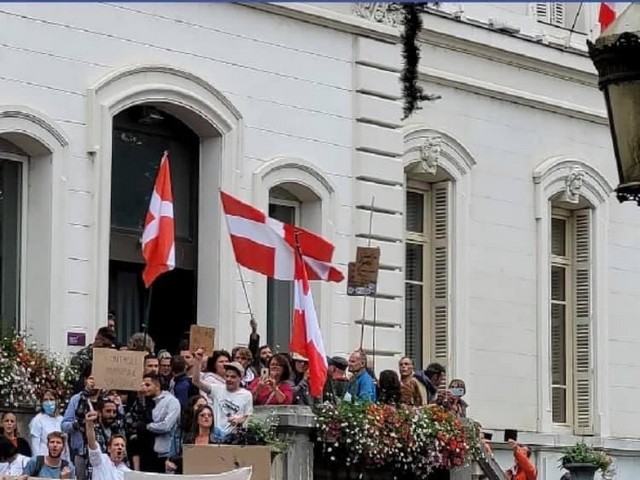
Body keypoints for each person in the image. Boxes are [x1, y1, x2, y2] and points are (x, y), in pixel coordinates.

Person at [192, 361, 253, 440]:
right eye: (227, 376)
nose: (229, 379)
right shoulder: (217, 389)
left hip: (234, 437)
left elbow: (248, 417)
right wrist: (197, 361)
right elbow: (196, 382)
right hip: (215, 434)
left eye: (233, 377)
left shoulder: (246, 395)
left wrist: (239, 420)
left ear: (240, 378)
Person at [166, 404, 222, 474]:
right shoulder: (188, 438)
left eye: (209, 415)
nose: (206, 417)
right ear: (197, 419)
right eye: (202, 415)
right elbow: (178, 457)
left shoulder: (218, 440)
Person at [143, 373, 181, 473]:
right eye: (142, 385)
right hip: (146, 450)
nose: (144, 388)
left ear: (157, 386)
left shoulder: (171, 401)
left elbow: (166, 425)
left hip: (165, 453)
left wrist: (147, 427)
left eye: (147, 385)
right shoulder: (143, 402)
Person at [84, 411, 129, 480]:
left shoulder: (128, 473)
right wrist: (90, 423)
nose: (120, 447)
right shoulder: (100, 460)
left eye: (122, 446)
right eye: (116, 445)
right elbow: (92, 443)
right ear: (109, 449)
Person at [70, 328, 116, 393]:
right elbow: (73, 379)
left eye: (109, 346)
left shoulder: (109, 356)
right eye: (105, 345)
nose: (107, 348)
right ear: (97, 340)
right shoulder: (80, 357)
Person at [30, 390, 65, 457]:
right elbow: (35, 446)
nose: (49, 402)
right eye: (45, 400)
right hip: (44, 458)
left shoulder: (61, 419)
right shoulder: (37, 420)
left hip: (60, 459)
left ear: (56, 401)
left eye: (51, 399)